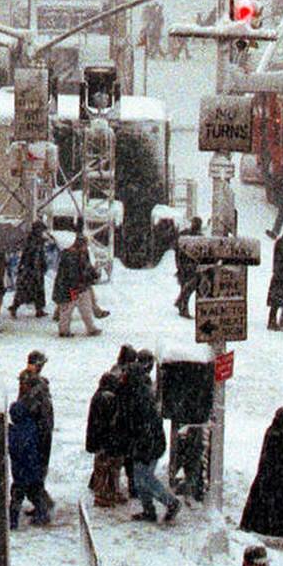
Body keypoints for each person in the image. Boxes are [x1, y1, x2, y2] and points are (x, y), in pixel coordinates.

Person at [118, 351, 180, 523]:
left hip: (147, 445)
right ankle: (149, 510)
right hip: (146, 443)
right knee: (140, 479)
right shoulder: (139, 394)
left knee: (145, 478)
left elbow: (143, 426)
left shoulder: (139, 398)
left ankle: (171, 503)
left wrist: (141, 446)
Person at [240, 407, 283, 546]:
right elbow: (280, 457)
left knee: (260, 504)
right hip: (274, 478)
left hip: (268, 476)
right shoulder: (277, 435)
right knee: (280, 507)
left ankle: (252, 526)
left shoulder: (273, 431)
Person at [8, 369, 52, 528]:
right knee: (34, 491)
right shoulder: (30, 423)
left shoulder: (16, 430)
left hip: (21, 470)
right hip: (31, 466)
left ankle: (13, 520)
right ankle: (42, 513)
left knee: (18, 495)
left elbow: (14, 448)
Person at [85, 365, 126, 508]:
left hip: (102, 440)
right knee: (106, 469)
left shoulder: (100, 395)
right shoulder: (106, 398)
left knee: (106, 468)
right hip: (105, 441)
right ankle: (102, 496)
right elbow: (106, 423)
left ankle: (108, 493)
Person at [53, 228, 101, 337]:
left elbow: (87, 268)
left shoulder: (82, 254)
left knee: (86, 309)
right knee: (67, 310)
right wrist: (80, 282)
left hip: (80, 287)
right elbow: (70, 275)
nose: (86, 247)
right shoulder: (69, 256)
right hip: (69, 288)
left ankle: (91, 328)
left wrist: (94, 275)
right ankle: (64, 330)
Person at [23, 350, 54, 484]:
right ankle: (37, 491)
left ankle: (38, 489)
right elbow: (30, 405)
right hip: (38, 428)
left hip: (42, 426)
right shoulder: (30, 381)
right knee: (38, 462)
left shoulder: (36, 380)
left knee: (40, 462)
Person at [10, 220, 50, 319]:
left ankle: (39, 310)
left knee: (38, 291)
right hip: (30, 270)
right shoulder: (32, 240)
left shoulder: (37, 240)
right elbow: (30, 255)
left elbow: (39, 255)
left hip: (36, 269)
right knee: (25, 291)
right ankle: (14, 307)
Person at [174, 215, 204, 316]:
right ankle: (182, 308)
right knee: (188, 287)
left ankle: (181, 304)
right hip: (187, 265)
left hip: (189, 265)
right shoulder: (189, 235)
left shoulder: (192, 236)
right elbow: (178, 251)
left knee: (187, 287)